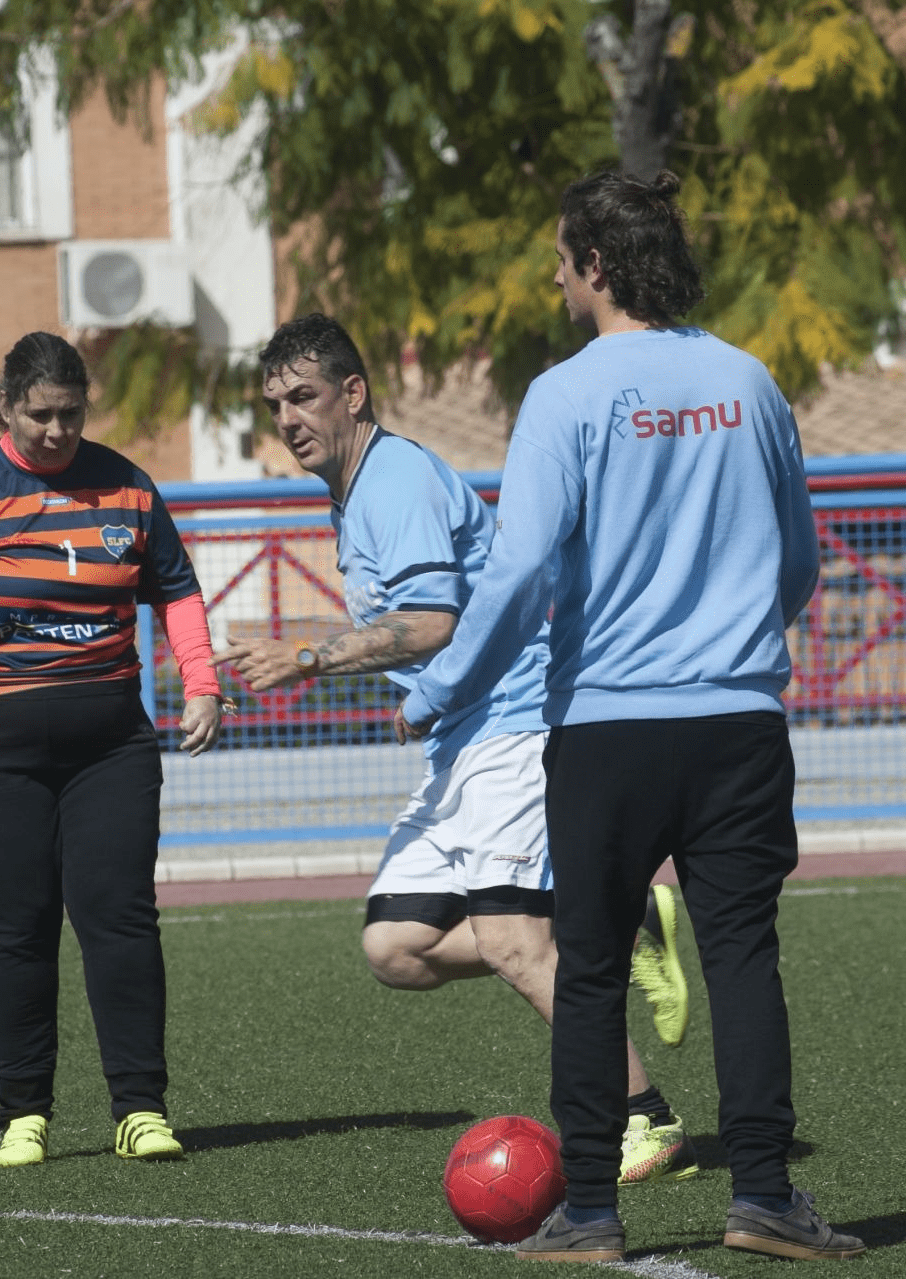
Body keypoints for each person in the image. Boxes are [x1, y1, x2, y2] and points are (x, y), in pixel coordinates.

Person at [399, 171, 861, 1263]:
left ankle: (593, 1214)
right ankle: (763, 1198)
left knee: (593, 964)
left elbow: (516, 575)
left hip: (605, 730)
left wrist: (445, 685)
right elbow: (796, 560)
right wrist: (730, 643)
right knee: (742, 955)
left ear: (597, 265)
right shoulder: (749, 382)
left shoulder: (564, 393)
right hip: (738, 722)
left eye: (563, 256)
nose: (554, 274)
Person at [216, 313, 696, 1185]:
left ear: (353, 394)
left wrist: (308, 655)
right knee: (397, 945)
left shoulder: (391, 480)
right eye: (275, 402)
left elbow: (435, 624)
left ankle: (647, 1121)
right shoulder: (356, 492)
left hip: (510, 727)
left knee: (517, 942)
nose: (287, 417)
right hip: (460, 743)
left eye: (304, 396)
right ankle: (622, 924)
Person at [0, 331, 224, 1165]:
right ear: (8, 406)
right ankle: (25, 1111)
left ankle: (141, 1108)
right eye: (40, 416)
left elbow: (176, 590)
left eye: (70, 415)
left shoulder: (128, 488)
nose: (57, 432)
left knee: (120, 917)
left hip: (110, 744)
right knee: (19, 924)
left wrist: (201, 680)